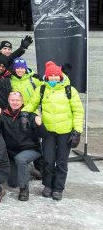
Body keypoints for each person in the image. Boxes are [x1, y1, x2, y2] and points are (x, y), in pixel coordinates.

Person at [23, 61, 84, 201]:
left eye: (57, 76)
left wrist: (77, 131)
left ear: (60, 76)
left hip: (65, 132)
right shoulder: (42, 89)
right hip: (48, 132)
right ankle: (48, 185)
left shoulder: (69, 90)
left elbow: (78, 111)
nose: (54, 78)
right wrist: (25, 113)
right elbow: (32, 104)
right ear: (47, 77)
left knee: (61, 161)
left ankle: (58, 188)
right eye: (51, 76)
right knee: (48, 160)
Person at [0, 92, 41, 201]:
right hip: (12, 152)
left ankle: (24, 190)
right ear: (8, 101)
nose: (15, 102)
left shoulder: (29, 114)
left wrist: (39, 125)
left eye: (17, 100)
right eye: (12, 100)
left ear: (22, 101)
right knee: (13, 183)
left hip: (30, 149)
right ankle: (29, 170)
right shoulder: (3, 114)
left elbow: (42, 134)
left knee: (21, 159)